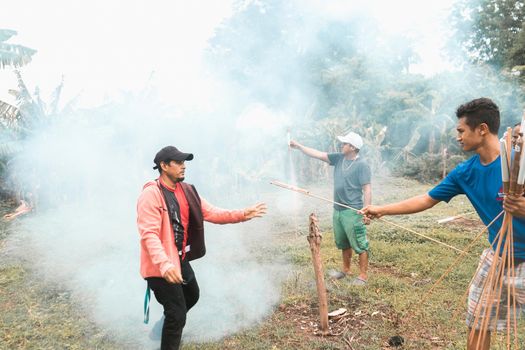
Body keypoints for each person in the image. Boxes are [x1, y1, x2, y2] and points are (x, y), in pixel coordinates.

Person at [360, 98, 525, 350]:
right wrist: (381, 210)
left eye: (461, 131)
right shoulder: (465, 172)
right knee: (478, 321)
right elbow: (426, 199)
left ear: (481, 129)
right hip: (498, 257)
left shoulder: (518, 162)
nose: (457, 137)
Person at [137, 145, 267, 350]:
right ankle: (169, 331)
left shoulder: (186, 191)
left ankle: (159, 330)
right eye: (178, 162)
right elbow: (149, 235)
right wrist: (164, 265)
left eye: (184, 162)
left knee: (192, 295)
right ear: (163, 166)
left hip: (178, 259)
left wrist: (243, 214)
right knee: (177, 313)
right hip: (159, 266)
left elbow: (212, 212)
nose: (184, 166)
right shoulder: (151, 195)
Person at [290, 132, 372, 285]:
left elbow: (367, 189)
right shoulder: (339, 158)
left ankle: (362, 276)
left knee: (360, 243)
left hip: (353, 210)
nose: (342, 145)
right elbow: (318, 155)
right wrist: (299, 147)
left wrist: (366, 211)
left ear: (353, 147)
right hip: (338, 209)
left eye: (345, 144)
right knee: (343, 242)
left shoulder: (362, 165)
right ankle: (346, 270)